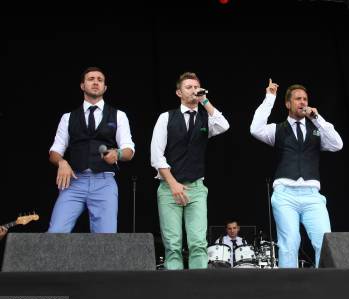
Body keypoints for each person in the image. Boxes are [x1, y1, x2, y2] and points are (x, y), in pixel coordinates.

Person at [250, 79, 343, 268]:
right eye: (298, 99)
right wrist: (270, 98)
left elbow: (337, 144)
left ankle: (322, 288)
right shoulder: (278, 129)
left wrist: (317, 118)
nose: (303, 102)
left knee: (325, 242)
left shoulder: (317, 129)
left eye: (305, 99)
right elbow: (255, 129)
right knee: (289, 244)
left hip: (312, 196)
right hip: (285, 194)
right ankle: (289, 291)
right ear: (288, 104)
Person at [151, 72, 229, 270]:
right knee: (173, 245)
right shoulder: (166, 117)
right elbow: (156, 156)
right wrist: (173, 184)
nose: (194, 90)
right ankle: (174, 290)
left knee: (198, 243)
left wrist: (205, 100)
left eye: (196, 87)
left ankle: (198, 291)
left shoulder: (205, 117)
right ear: (179, 92)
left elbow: (224, 125)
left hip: (195, 187)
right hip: (169, 188)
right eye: (189, 87)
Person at [48, 67, 135, 233]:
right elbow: (55, 151)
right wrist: (62, 162)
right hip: (73, 182)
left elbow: (129, 150)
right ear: (82, 85)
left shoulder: (118, 115)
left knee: (106, 239)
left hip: (104, 181)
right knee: (56, 233)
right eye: (91, 79)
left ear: (105, 88)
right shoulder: (68, 118)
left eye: (100, 80)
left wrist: (117, 154)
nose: (95, 82)